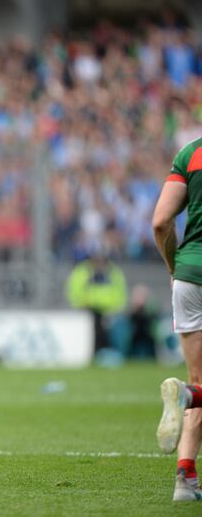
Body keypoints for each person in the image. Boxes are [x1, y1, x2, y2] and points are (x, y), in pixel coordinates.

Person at [152, 139, 202, 502]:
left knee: (199, 380)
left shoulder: (191, 153)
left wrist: (173, 267)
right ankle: (187, 395)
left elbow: (160, 221)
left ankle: (185, 478)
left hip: (188, 277)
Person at [65, 252, 128, 353]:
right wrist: (81, 304)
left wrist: (113, 309)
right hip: (87, 310)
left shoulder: (114, 273)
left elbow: (120, 294)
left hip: (108, 311)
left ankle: (106, 352)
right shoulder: (82, 271)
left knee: (108, 330)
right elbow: (75, 292)